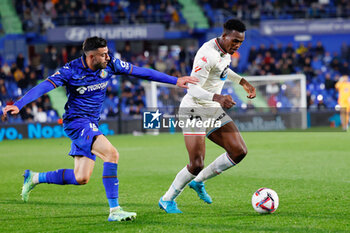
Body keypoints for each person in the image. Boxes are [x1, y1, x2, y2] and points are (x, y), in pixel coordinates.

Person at [2, 37, 198, 221]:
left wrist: (175, 80)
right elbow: (43, 86)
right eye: (103, 54)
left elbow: (142, 72)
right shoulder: (70, 70)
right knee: (112, 154)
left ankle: (34, 177)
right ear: (91, 56)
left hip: (91, 123)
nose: (108, 57)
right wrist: (19, 104)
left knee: (81, 177)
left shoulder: (111, 64)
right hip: (77, 122)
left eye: (107, 53)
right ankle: (115, 210)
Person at [158, 19, 256, 213]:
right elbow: (192, 89)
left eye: (240, 43)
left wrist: (242, 81)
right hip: (194, 109)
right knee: (196, 164)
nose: (236, 46)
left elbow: (223, 70)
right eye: (235, 41)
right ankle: (167, 199)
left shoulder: (225, 51)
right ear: (224, 35)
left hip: (211, 107)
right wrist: (218, 97)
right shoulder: (207, 54)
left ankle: (198, 182)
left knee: (239, 151)